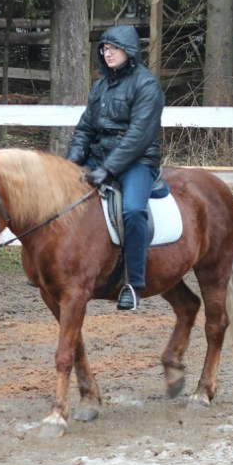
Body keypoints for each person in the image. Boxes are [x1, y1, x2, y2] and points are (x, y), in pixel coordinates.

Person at [66, 23, 166, 311]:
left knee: (134, 211)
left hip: (137, 161)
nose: (107, 53)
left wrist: (107, 169)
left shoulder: (147, 85)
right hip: (99, 157)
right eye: (105, 48)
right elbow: (85, 129)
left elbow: (138, 137)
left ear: (129, 51)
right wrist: (69, 165)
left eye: (114, 48)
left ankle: (133, 283)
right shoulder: (100, 85)